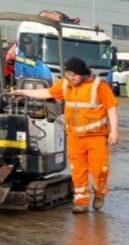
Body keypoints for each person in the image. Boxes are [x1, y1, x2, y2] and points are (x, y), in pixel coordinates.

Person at [13, 57, 119, 213]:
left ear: (82, 73)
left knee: (100, 170)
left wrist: (114, 130)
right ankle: (81, 201)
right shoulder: (65, 84)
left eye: (74, 75)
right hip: (75, 137)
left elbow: (111, 108)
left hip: (96, 136)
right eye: (68, 74)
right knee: (78, 170)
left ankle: (99, 191)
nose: (71, 78)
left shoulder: (99, 86)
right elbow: (47, 92)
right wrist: (23, 92)